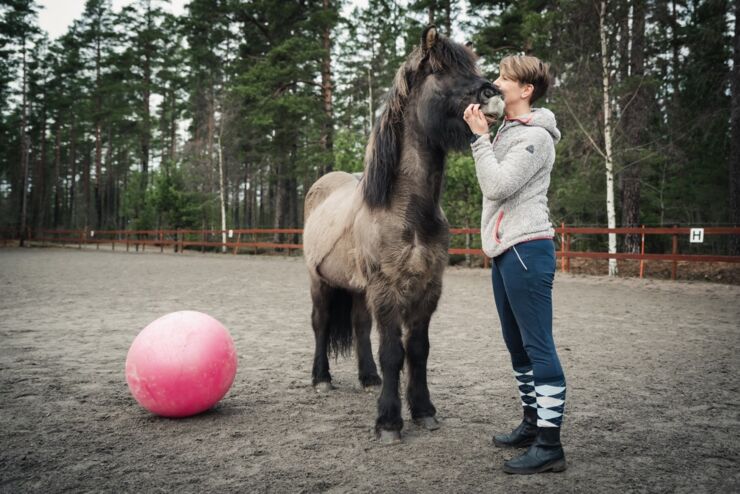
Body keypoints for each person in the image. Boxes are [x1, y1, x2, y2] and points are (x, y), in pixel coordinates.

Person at [463, 55, 566, 475]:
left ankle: (550, 445)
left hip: (528, 249)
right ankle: (530, 422)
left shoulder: (536, 138)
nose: (497, 82)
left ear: (526, 90)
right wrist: (484, 132)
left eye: (505, 78)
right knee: (517, 345)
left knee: (539, 345)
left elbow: (498, 185)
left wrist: (478, 140)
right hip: (505, 249)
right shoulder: (508, 130)